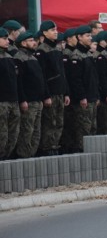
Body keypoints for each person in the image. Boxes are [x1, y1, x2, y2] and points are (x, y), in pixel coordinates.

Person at [62, 25, 100, 152]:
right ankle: (82, 152)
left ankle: (92, 152)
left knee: (93, 127)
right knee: (84, 128)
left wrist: (97, 95)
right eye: (87, 36)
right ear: (79, 37)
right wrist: (82, 97)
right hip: (84, 99)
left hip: (92, 97)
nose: (90, 38)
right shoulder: (76, 56)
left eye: (90, 35)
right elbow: (75, 80)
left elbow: (93, 78)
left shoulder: (88, 54)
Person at [35, 20, 69, 156]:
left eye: (56, 30)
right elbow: (42, 75)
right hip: (51, 93)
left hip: (60, 92)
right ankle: (47, 148)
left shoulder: (57, 49)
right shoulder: (41, 51)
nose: (55, 32)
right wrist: (46, 95)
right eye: (52, 30)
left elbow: (63, 73)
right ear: (44, 32)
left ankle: (55, 144)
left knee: (59, 121)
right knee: (50, 122)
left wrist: (66, 92)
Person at [13, 32, 50, 158]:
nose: (34, 42)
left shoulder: (33, 57)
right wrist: (23, 100)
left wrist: (45, 96)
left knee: (36, 131)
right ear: (23, 43)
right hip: (29, 101)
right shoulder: (19, 58)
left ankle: (32, 155)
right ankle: (24, 156)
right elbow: (20, 82)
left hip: (38, 100)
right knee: (27, 131)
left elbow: (41, 78)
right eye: (30, 40)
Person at [0, 28, 22, 160]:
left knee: (13, 132)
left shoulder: (9, 57)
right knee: (2, 132)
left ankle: (7, 156)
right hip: (2, 101)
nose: (7, 41)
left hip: (13, 100)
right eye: (3, 38)